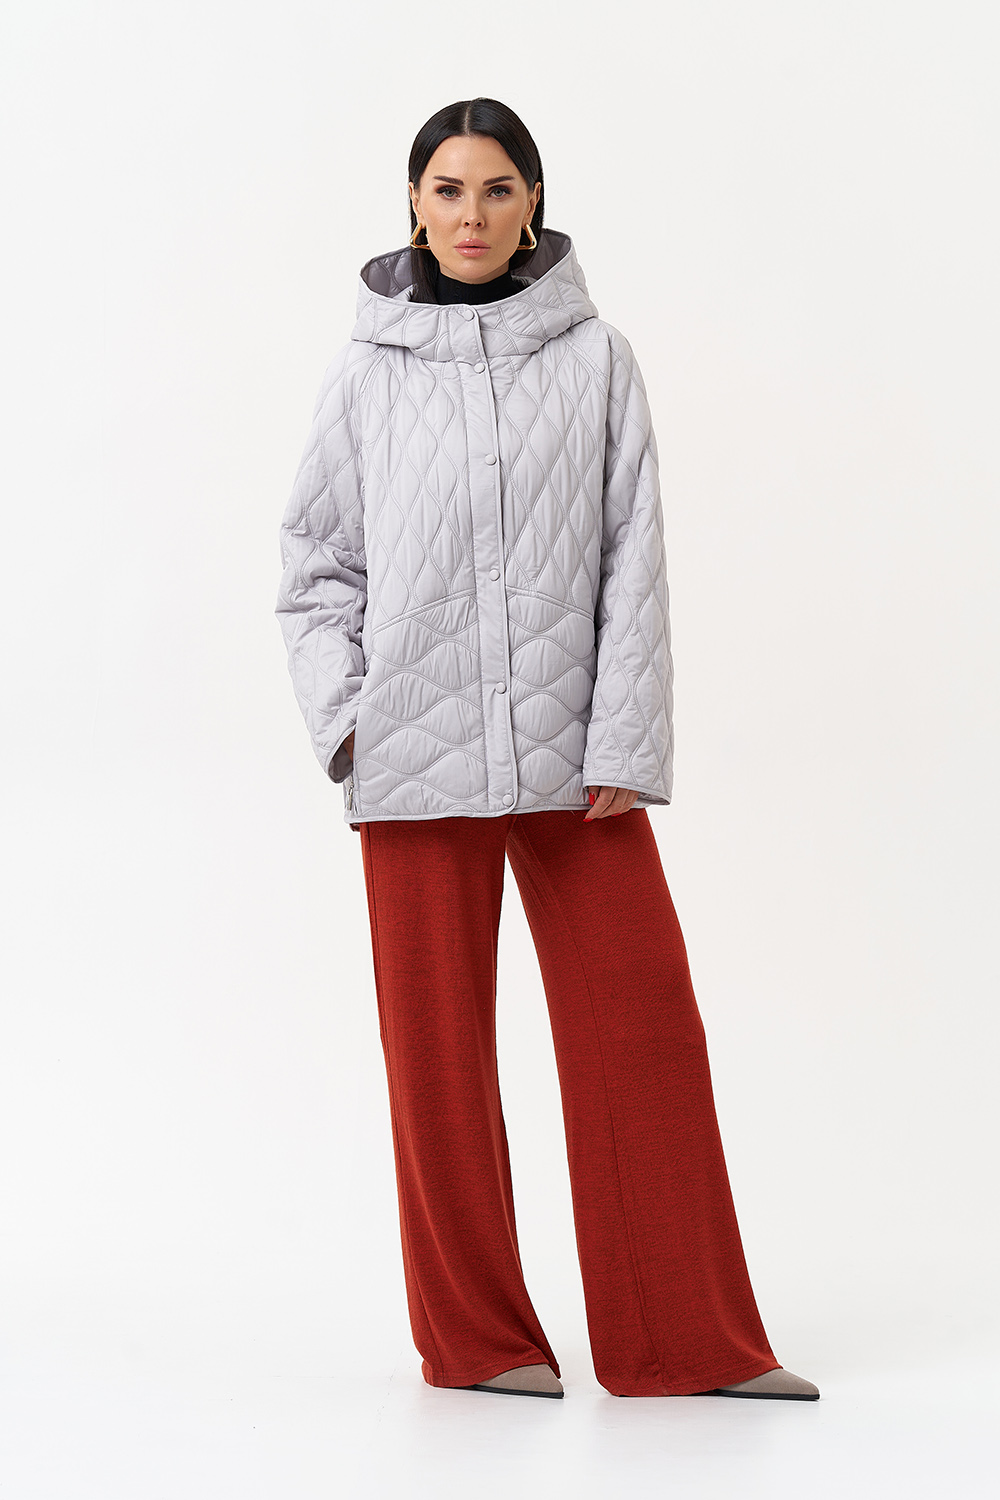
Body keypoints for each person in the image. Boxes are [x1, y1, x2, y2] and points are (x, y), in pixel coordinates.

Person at [275, 97, 819, 1403]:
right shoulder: (365, 372)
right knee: (438, 1060)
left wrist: (623, 731)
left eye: (497, 189)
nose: (471, 214)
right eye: (448, 190)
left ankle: (683, 1341)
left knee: (642, 1026)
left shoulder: (597, 359)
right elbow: (314, 568)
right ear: (415, 207)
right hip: (411, 758)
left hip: (578, 760)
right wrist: (351, 725)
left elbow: (635, 559)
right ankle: (480, 1341)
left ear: (533, 207)